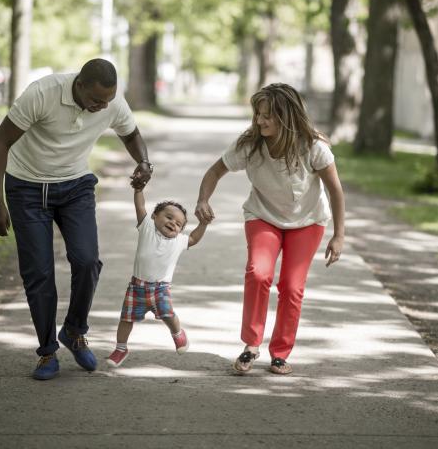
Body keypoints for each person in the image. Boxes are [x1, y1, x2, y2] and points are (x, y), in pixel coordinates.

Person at [0, 58, 153, 380]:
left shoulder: (111, 102)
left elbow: (131, 134)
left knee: (87, 260)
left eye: (106, 101)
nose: (101, 107)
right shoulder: (43, 93)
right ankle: (47, 351)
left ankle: (74, 331)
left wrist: (145, 162)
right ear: (78, 84)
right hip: (26, 188)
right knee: (39, 272)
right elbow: (1, 142)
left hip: (75, 186)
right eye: (96, 101)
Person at [195, 83, 345, 375]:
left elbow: (336, 191)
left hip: (308, 221)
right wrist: (203, 199)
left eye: (268, 116)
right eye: (258, 114)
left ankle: (280, 352)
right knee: (259, 272)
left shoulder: (314, 147)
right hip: (262, 215)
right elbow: (215, 171)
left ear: (286, 117)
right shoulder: (250, 144)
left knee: (291, 286)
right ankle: (251, 345)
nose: (260, 121)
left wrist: (339, 235)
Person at [106, 183, 209, 368]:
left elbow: (193, 238)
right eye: (169, 217)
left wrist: (203, 224)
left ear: (180, 230)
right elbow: (140, 207)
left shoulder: (179, 241)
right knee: (126, 319)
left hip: (160, 289)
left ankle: (178, 333)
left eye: (178, 224)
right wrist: (138, 190)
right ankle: (121, 348)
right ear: (154, 216)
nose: (172, 223)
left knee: (168, 315)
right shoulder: (147, 227)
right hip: (136, 288)